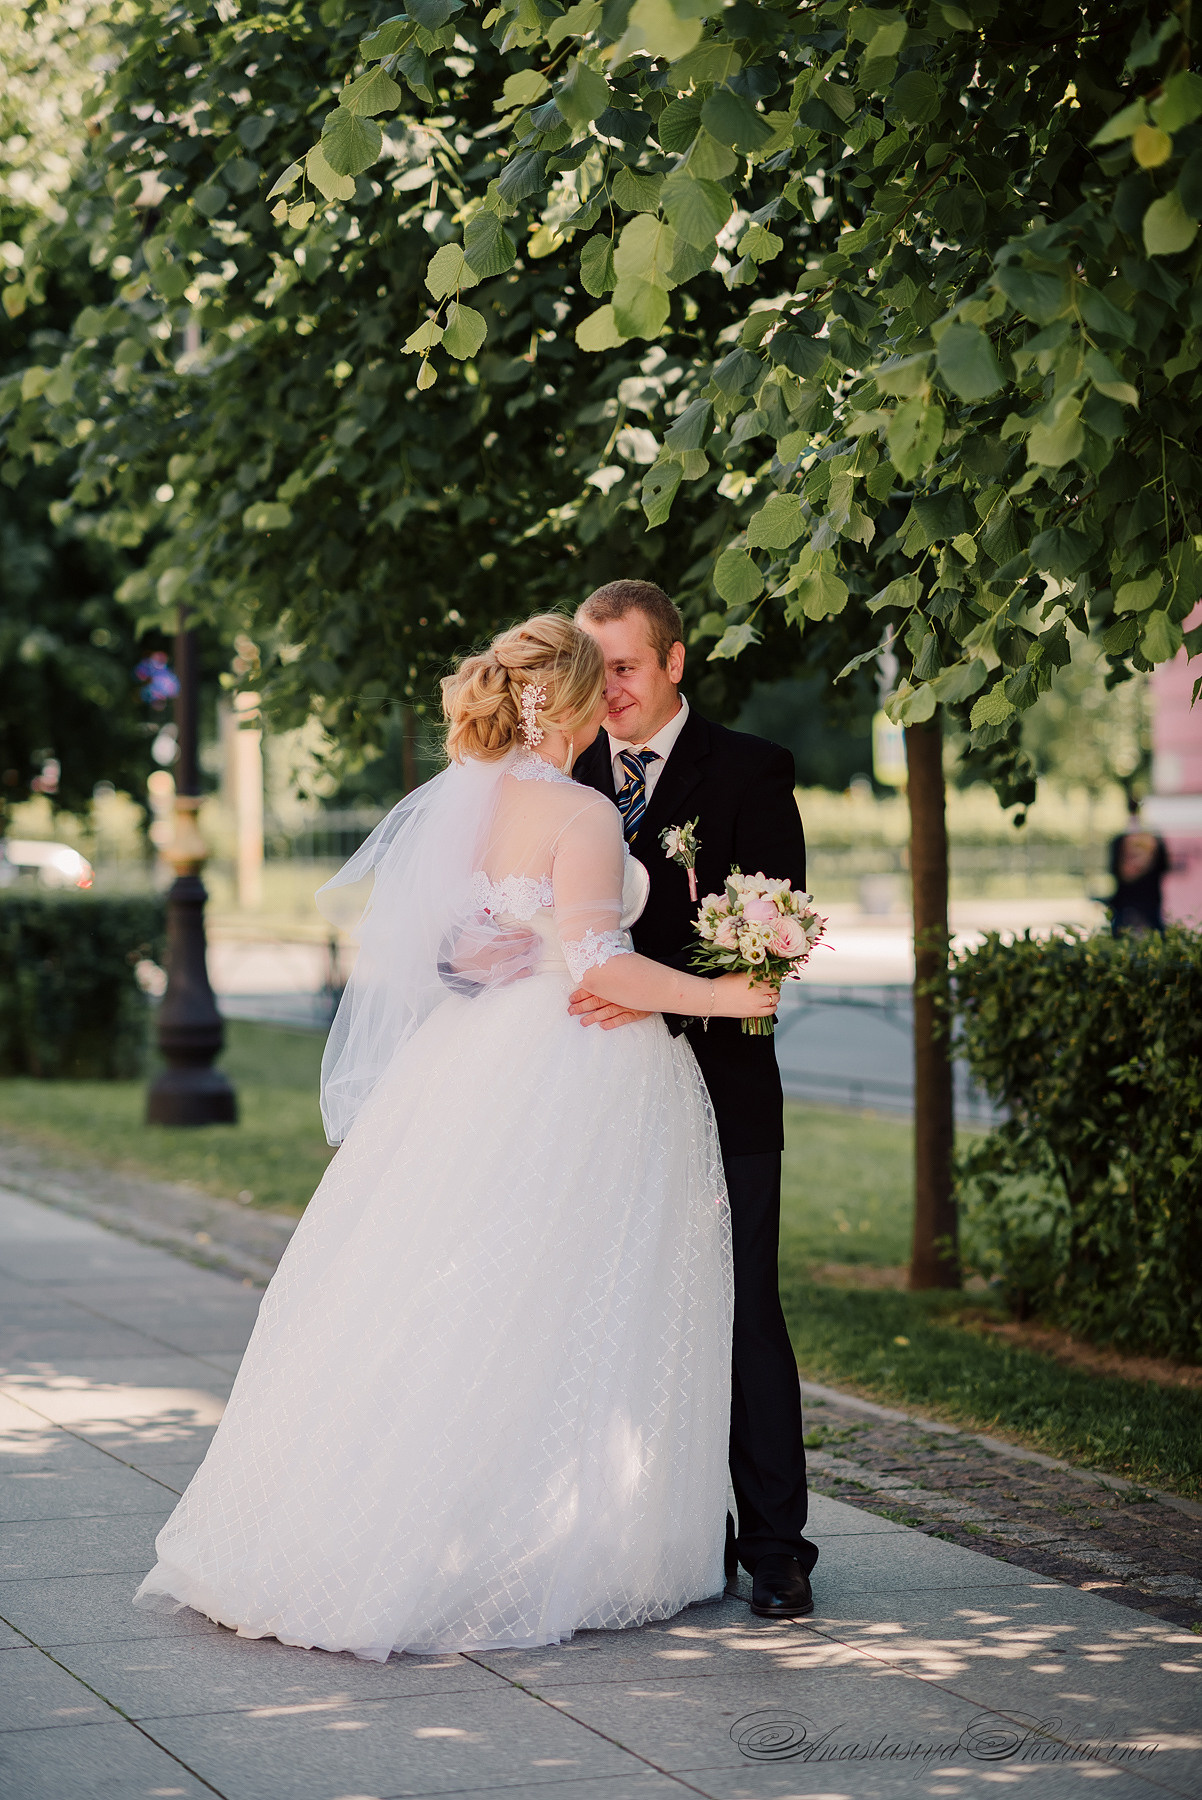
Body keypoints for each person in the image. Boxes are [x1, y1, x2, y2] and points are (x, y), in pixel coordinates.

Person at [133, 614, 780, 1660]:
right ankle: (547, 1539)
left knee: (469, 1287)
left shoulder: (471, 804)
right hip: (575, 1070)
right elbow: (597, 964)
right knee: (571, 1296)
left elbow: (459, 947)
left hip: (473, 1063)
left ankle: (380, 1518)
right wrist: (721, 989)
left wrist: (497, 954)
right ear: (569, 703)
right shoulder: (575, 813)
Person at [571, 580, 818, 1621]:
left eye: (623, 667)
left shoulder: (751, 771)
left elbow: (766, 939)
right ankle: (662, 1537)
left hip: (719, 1089)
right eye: (592, 669)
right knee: (610, 1308)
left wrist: (639, 991)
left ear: (673, 663)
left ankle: (774, 1549)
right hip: (583, 1097)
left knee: (740, 1312)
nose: (606, 690)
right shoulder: (559, 775)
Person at [1109, 796, 1169, 935]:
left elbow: (1113, 868)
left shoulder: (1120, 840)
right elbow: (1164, 866)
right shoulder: (1154, 840)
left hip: (1125, 896)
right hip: (1150, 895)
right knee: (1156, 934)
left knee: (1119, 933)